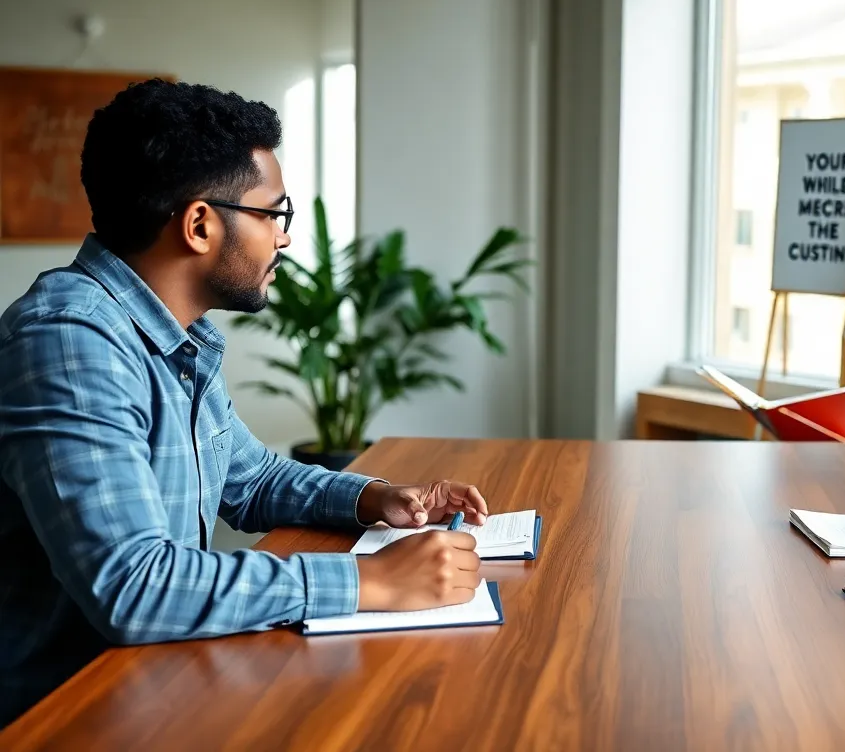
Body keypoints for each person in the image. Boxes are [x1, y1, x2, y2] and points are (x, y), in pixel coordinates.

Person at [0, 79, 489, 727]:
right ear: (200, 224)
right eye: (273, 215)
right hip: (60, 710)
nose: (284, 240)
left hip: (151, 684)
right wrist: (373, 584)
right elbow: (134, 587)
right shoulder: (70, 341)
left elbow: (248, 477)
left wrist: (376, 498)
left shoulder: (177, 334)